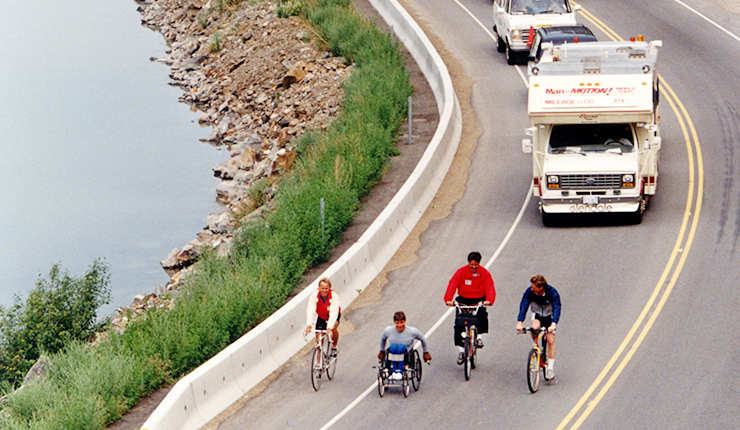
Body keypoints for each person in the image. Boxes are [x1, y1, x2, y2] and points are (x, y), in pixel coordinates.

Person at [444, 251, 496, 365]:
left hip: (479, 299)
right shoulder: (461, 272)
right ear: (468, 263)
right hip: (463, 299)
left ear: (479, 264)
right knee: (459, 323)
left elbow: (489, 287)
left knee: (481, 313)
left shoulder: (484, 273)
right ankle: (462, 351)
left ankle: (479, 336)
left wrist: (489, 300)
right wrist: (448, 299)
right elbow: (452, 284)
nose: (473, 267)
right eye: (471, 265)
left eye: (476, 265)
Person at [516, 274, 561, 379]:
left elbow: (557, 308)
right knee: (534, 327)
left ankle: (550, 368)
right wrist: (520, 322)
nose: (531, 289)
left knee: (550, 340)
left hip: (549, 317)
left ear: (541, 288)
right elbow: (524, 306)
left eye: (534, 287)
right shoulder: (529, 292)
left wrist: (553, 324)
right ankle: (536, 346)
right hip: (537, 315)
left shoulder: (552, 293)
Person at [378, 311, 432, 380]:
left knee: (400, 347)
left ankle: (399, 372)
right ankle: (394, 372)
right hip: (393, 352)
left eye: (401, 322)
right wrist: (382, 350)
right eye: (397, 323)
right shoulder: (388, 330)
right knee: (393, 347)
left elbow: (423, 339)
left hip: (406, 354)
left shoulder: (412, 331)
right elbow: (383, 339)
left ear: (405, 321)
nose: (399, 325)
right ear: (394, 322)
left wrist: (426, 352)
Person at [304, 278, 341, 356]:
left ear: (329, 288)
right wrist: (309, 325)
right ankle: (319, 363)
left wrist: (329, 328)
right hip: (322, 315)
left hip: (332, 315)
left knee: (333, 327)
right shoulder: (315, 295)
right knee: (318, 341)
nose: (324, 290)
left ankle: (334, 346)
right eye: (322, 288)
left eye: (326, 288)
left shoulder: (334, 296)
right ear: (319, 288)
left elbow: (334, 312)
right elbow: (311, 309)